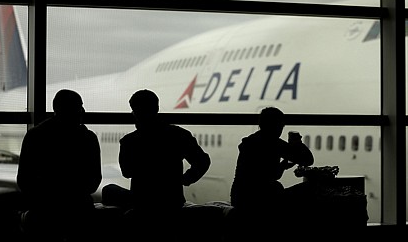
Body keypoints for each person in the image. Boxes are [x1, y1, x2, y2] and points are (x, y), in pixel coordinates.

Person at [112, 89, 211, 239]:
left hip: (142, 205)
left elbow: (126, 172)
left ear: (134, 112)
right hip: (171, 203)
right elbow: (203, 161)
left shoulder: (129, 141)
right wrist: (186, 179)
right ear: (157, 108)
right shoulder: (179, 135)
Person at [16, 89, 102, 241]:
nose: (82, 111)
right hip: (79, 208)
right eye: (78, 106)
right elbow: (94, 181)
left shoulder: (35, 136)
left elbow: (24, 180)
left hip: (44, 210)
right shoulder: (88, 138)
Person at [229, 106, 314, 239]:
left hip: (240, 197)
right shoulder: (274, 143)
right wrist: (297, 143)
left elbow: (263, 174)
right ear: (276, 126)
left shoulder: (251, 141)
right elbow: (308, 160)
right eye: (280, 126)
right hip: (261, 199)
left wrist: (282, 166)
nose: (280, 130)